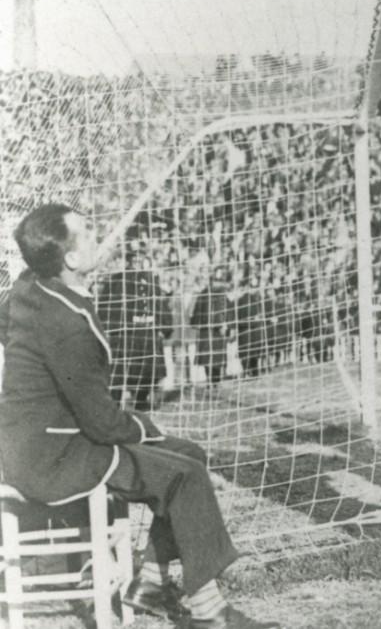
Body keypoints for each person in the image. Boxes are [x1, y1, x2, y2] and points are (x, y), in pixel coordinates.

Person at [0, 204, 275, 629]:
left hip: (36, 442)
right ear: (70, 259)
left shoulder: (29, 289)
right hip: (56, 457)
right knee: (182, 474)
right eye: (87, 231)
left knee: (190, 454)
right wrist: (149, 427)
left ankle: (150, 582)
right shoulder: (67, 323)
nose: (97, 235)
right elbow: (103, 425)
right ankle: (209, 611)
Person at [96, 248, 174, 410]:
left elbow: (160, 304)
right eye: (134, 259)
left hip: (148, 333)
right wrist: (112, 328)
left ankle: (142, 400)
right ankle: (115, 405)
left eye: (141, 258)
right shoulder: (117, 280)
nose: (138, 262)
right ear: (128, 261)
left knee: (148, 371)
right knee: (122, 373)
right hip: (127, 335)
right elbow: (107, 308)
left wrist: (165, 326)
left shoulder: (151, 280)